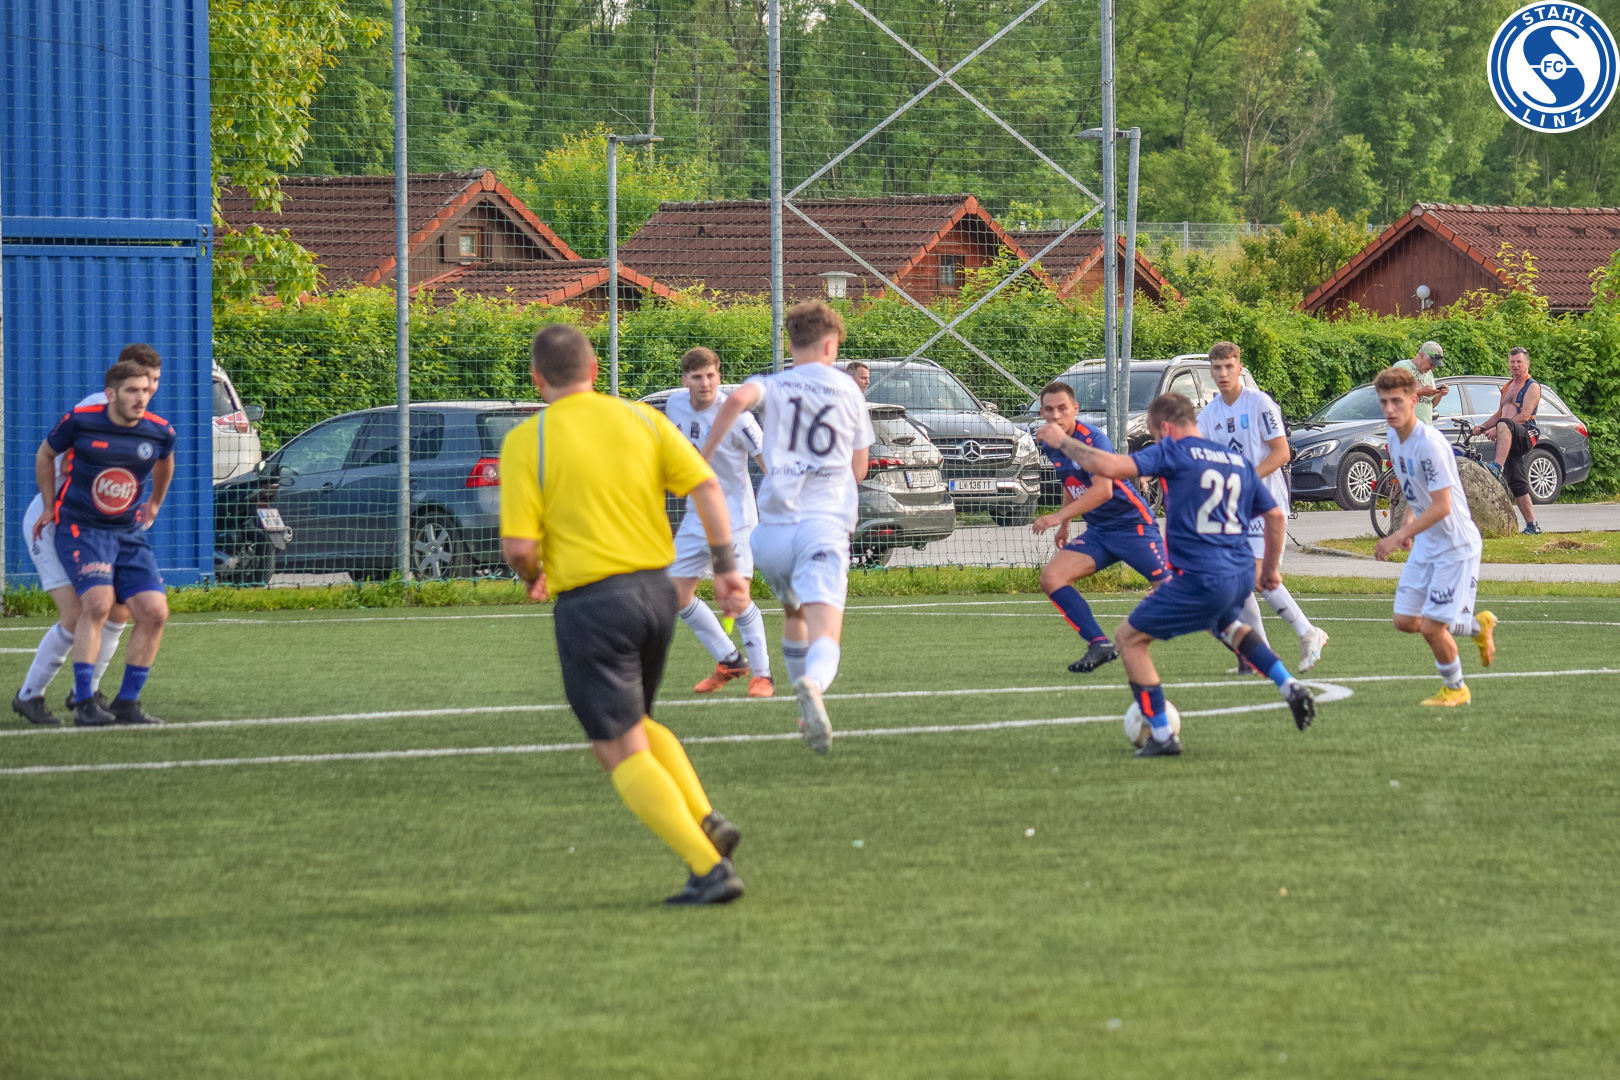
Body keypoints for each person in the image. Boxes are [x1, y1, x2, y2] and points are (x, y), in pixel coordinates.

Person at [500, 324, 751, 906]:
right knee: (634, 724)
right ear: (594, 371)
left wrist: (533, 574)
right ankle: (705, 819)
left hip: (593, 604)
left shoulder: (528, 440)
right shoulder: (642, 418)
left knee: (615, 745)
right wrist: (726, 567)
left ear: (537, 379)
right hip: (657, 594)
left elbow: (518, 547)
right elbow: (707, 487)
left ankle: (708, 868)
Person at [1036, 392, 1318, 756]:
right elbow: (1276, 515)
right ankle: (1289, 685)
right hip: (1238, 574)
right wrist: (1271, 570)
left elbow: (1111, 467)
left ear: (1166, 429)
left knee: (1129, 639)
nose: (1157, 441)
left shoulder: (1173, 451)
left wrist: (1063, 442)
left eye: (1155, 435)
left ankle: (1162, 734)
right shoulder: (1236, 460)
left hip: (1200, 577)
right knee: (1228, 626)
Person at [702, 300, 873, 755]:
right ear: (831, 345)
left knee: (793, 613)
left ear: (792, 344)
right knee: (826, 634)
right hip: (823, 525)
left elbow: (735, 400)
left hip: (772, 533)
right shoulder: (848, 388)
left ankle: (802, 711)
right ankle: (813, 685)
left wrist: (703, 457)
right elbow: (859, 469)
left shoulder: (773, 384)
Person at [11, 345, 162, 726]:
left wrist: (145, 503)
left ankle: (88, 692)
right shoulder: (97, 410)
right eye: (143, 382)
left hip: (104, 525)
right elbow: (59, 460)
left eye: (154, 383)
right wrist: (63, 502)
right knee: (79, 612)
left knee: (121, 609)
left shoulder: (145, 420)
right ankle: (30, 694)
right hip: (59, 517)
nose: (148, 390)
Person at [1196, 342, 1330, 673]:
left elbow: (1281, 453)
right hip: (1233, 508)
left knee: (1256, 576)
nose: (1223, 373)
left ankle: (1308, 632)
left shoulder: (1259, 404)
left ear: (1240, 367)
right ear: (1210, 371)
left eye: (1229, 366)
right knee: (1238, 581)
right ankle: (1259, 656)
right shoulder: (1208, 415)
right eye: (1217, 368)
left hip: (1266, 502)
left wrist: (1245, 479)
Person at [1373, 367, 1498, 705]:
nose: (1390, 409)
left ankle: (1456, 689)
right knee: (1405, 620)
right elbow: (1416, 489)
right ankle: (1476, 627)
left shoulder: (1430, 445)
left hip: (1455, 545)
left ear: (1414, 400)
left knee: (1431, 627)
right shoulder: (1393, 439)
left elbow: (1442, 506)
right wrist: (1410, 522)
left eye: (1397, 401)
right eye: (1384, 402)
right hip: (1428, 542)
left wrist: (1398, 535)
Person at [1030, 380, 1167, 674]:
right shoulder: (1051, 443)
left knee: (1175, 591)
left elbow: (1103, 491)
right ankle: (1099, 644)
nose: (1056, 415)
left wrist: (1057, 516)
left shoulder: (1093, 439)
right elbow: (1071, 481)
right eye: (1049, 410)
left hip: (1133, 527)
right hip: (1100, 532)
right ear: (1041, 413)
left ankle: (1245, 649)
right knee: (1052, 578)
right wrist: (1065, 524)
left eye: (1062, 408)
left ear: (1075, 409)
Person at [664, 347, 774, 697]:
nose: (705, 383)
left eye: (711, 375)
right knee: (674, 594)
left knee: (736, 599)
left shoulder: (738, 416)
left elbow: (768, 464)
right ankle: (730, 660)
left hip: (736, 520)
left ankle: (763, 676)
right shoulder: (674, 405)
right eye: (697, 377)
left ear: (719, 376)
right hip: (697, 517)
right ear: (685, 380)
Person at [1473, 347, 1542, 535]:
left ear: (1527, 364)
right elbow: (1500, 414)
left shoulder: (1532, 386)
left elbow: (1525, 415)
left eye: (1519, 362)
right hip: (1507, 436)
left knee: (1504, 423)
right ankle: (1532, 526)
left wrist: (1499, 427)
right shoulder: (1507, 387)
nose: (1515, 365)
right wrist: (1482, 427)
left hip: (1525, 434)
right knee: (1517, 481)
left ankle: (1497, 467)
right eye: (1512, 362)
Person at [1392, 341, 1448, 425]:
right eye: (1431, 363)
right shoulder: (1401, 367)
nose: (1432, 368)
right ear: (1422, 355)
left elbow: (1430, 404)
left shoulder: (1429, 373)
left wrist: (1440, 394)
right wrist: (1420, 392)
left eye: (1435, 366)